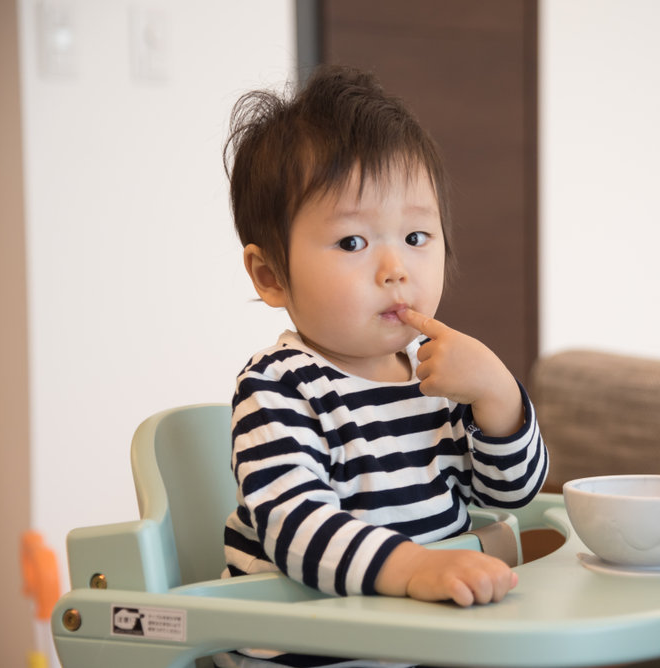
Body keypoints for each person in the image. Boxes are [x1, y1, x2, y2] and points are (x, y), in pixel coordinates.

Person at [215, 64, 548, 668]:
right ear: (270, 276)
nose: (396, 268)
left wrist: (498, 398)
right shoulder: (279, 388)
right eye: (352, 242)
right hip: (318, 655)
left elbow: (511, 494)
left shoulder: (437, 376)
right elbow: (300, 530)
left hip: (427, 647)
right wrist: (417, 565)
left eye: (418, 236)